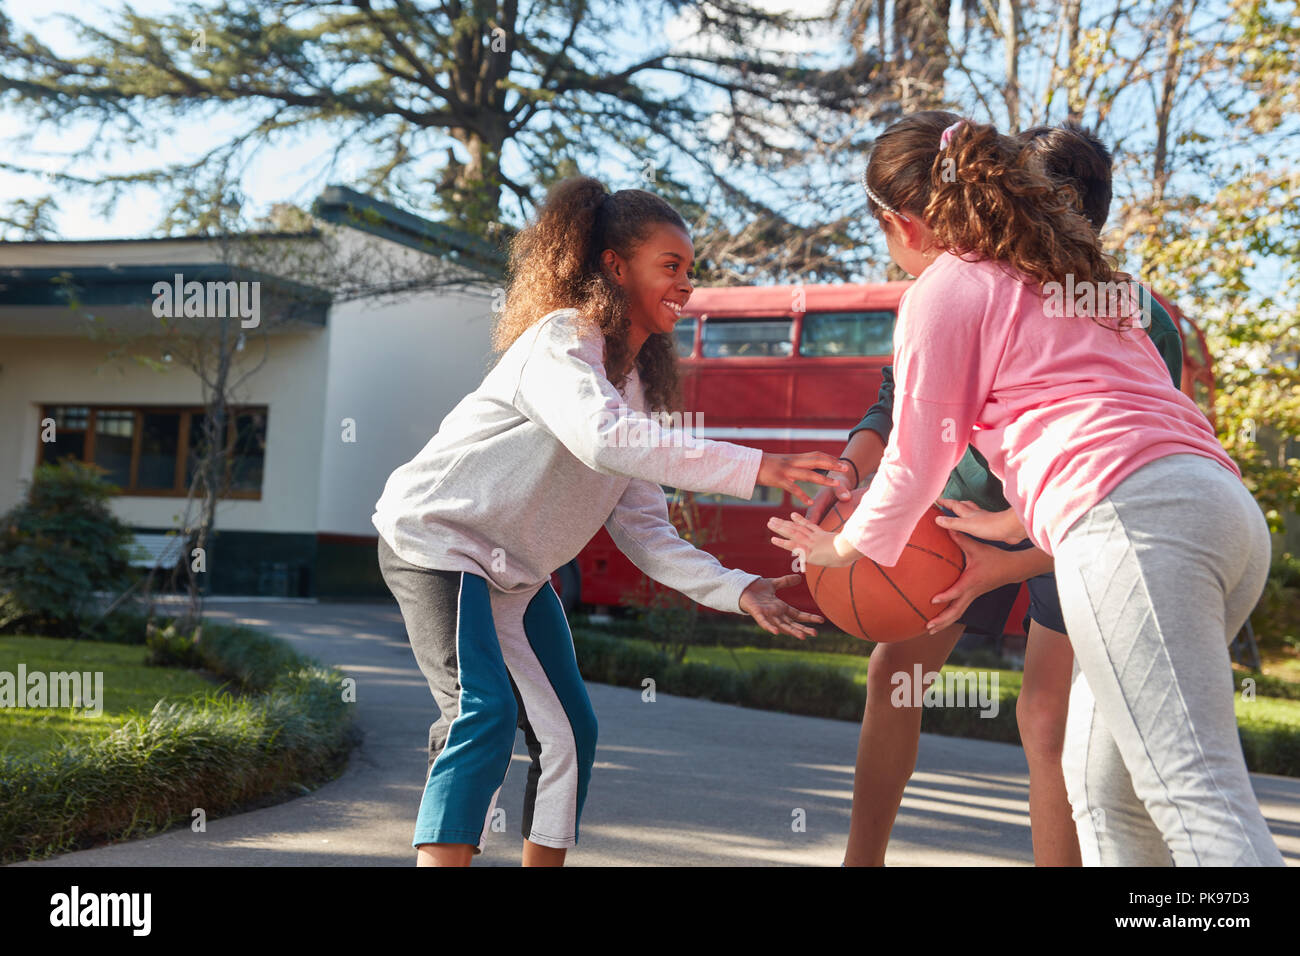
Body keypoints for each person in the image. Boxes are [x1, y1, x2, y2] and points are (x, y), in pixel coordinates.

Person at [771, 112, 1283, 866]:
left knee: (1195, 801)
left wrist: (840, 545)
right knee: (1106, 796)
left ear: (901, 221)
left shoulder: (949, 289)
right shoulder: (1079, 275)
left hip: (1128, 527)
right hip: (1212, 512)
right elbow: (1098, 422)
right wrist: (1014, 527)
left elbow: (914, 467)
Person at [373, 175, 850, 867]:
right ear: (615, 266)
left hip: (512, 574)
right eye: (672, 266)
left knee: (572, 733)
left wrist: (738, 588)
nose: (686, 284)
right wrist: (760, 466)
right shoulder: (559, 342)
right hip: (437, 543)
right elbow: (603, 440)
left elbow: (645, 531)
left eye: (690, 269)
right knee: (482, 714)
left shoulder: (633, 390)